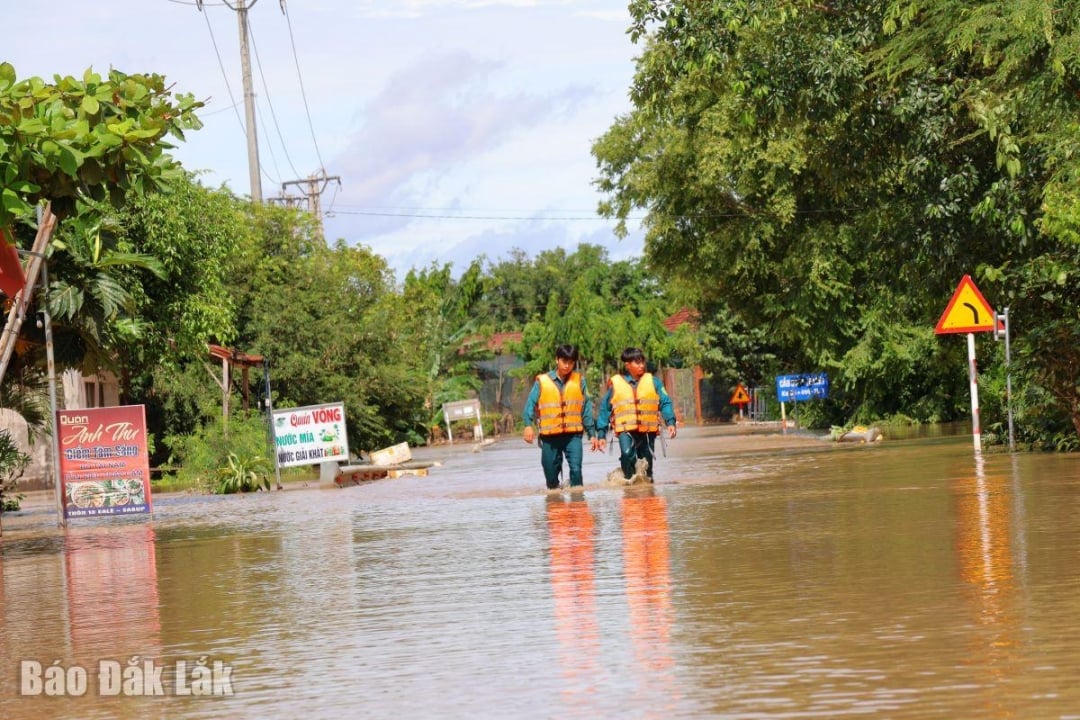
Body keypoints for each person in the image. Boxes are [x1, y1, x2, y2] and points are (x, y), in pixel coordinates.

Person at [596, 347, 678, 483]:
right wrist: (601, 434)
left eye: (642, 362)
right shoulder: (616, 385)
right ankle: (628, 484)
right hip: (626, 430)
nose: (641, 365)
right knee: (627, 454)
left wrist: (670, 422)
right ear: (627, 365)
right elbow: (605, 409)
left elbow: (665, 402)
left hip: (647, 430)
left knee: (647, 463)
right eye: (637, 362)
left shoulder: (654, 382)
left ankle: (648, 489)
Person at [523, 344, 597, 490]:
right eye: (564, 361)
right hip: (550, 437)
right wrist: (527, 425)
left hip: (573, 436)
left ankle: (577, 499)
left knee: (576, 470)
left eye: (571, 362)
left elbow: (586, 408)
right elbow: (530, 404)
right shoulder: (542, 382)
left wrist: (592, 434)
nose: (567, 365)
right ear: (557, 360)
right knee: (551, 477)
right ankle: (556, 500)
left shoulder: (579, 381)